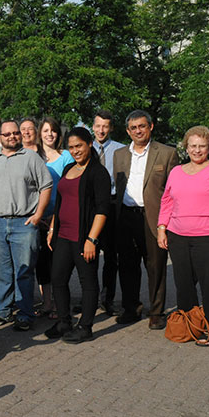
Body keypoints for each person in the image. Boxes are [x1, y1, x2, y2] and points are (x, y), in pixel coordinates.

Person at [157, 126, 209, 346]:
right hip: (179, 237)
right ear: (186, 146)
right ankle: (190, 325)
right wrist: (161, 227)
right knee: (184, 284)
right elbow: (167, 201)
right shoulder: (176, 171)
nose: (197, 150)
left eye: (202, 146)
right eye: (193, 146)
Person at [0, 120, 52, 330]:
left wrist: (38, 216)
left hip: (24, 221)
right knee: (0, 271)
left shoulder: (31, 158)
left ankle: (25, 313)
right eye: (7, 134)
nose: (12, 137)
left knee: (24, 271)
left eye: (15, 133)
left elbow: (46, 187)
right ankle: (3, 311)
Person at [44, 127, 111, 343]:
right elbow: (61, 202)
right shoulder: (69, 168)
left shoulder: (98, 172)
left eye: (79, 146)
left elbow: (102, 209)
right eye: (71, 147)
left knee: (88, 282)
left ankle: (85, 326)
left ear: (89, 144)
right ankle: (64, 321)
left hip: (83, 238)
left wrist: (92, 239)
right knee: (58, 278)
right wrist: (53, 228)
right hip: (63, 235)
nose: (75, 151)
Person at [113, 110, 178, 329]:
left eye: (142, 126)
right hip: (126, 218)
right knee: (128, 266)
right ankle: (131, 309)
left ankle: (157, 312)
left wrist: (167, 224)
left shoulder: (167, 153)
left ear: (150, 127)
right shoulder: (119, 155)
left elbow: (174, 191)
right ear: (128, 131)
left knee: (156, 266)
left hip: (154, 219)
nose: (138, 131)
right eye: (133, 128)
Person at [36, 117, 74, 316]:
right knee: (42, 263)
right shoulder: (34, 156)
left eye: (53, 130)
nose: (49, 134)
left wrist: (54, 219)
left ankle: (60, 303)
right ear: (39, 133)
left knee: (58, 262)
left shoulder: (66, 156)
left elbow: (68, 188)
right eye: (45, 130)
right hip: (38, 217)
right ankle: (47, 302)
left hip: (59, 216)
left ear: (58, 134)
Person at [92, 110, 125, 316]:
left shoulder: (121, 150)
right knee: (90, 254)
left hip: (112, 205)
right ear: (92, 126)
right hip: (92, 205)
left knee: (111, 257)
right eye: (98, 125)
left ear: (111, 128)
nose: (101, 130)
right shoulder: (85, 148)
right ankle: (91, 297)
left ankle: (108, 299)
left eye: (105, 126)